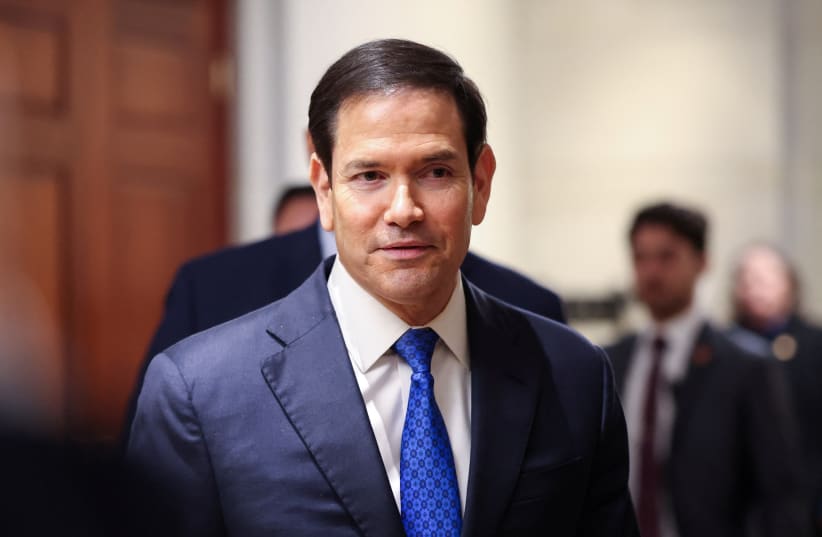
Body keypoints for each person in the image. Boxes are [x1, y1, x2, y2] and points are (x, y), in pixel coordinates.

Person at [127, 38, 637, 536]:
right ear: (324, 191)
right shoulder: (201, 392)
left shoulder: (574, 374)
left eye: (436, 172)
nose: (403, 210)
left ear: (480, 184)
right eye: (369, 176)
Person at [605, 202, 806, 537]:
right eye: (641, 258)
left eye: (666, 257)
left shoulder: (745, 365)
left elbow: (779, 492)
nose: (652, 272)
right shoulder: (611, 361)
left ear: (701, 262)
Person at [728, 243, 822, 536]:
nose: (756, 287)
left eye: (766, 278)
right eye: (748, 279)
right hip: (741, 511)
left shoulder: (814, 345)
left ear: (789, 283)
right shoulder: (723, 351)